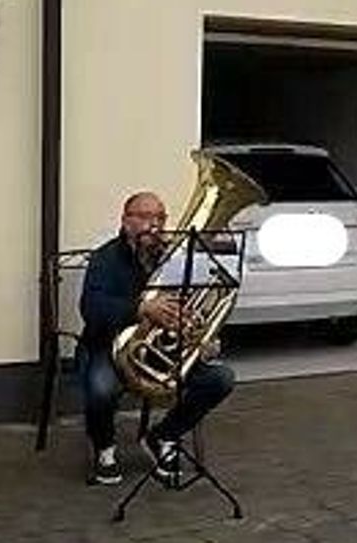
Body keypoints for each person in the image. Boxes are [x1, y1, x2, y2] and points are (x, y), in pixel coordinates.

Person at [78, 191, 235, 485]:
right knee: (101, 388)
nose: (155, 225)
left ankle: (163, 436)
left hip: (162, 353)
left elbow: (191, 306)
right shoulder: (105, 258)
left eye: (160, 218)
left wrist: (200, 337)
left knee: (221, 379)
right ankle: (104, 448)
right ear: (126, 221)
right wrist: (141, 309)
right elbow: (91, 308)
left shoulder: (175, 259)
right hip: (108, 347)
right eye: (145, 217)